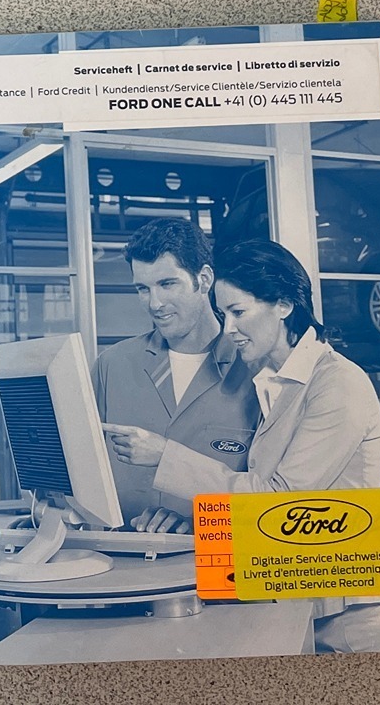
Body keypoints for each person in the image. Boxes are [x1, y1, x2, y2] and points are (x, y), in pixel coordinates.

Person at [125, 237, 380, 653]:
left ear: (284, 305)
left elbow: (280, 500)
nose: (228, 329)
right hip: (297, 605)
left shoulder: (338, 382)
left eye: (239, 312)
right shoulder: (272, 383)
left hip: (350, 622)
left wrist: (164, 455)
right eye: (223, 314)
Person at [93, 218, 257, 531]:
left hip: (218, 554)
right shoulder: (111, 365)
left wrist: (201, 521)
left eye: (167, 284)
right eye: (143, 289)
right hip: (120, 554)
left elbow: (273, 496)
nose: (155, 304)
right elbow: (77, 466)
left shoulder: (254, 369)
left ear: (204, 279)